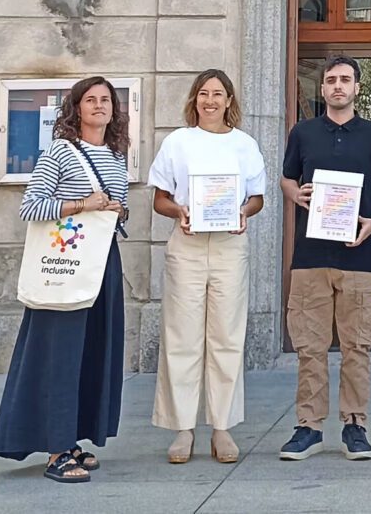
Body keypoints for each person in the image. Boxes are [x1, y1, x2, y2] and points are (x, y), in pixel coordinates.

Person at [0, 76, 130, 483]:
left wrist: (118, 211)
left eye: (106, 100)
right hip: (65, 262)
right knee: (61, 354)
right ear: (77, 108)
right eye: (91, 100)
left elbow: (120, 213)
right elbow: (31, 206)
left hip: (103, 261)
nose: (99, 106)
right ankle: (55, 450)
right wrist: (83, 204)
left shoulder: (117, 156)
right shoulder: (60, 151)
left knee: (92, 352)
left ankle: (71, 440)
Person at [279, 55, 371, 461]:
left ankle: (355, 425)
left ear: (357, 88)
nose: (337, 86)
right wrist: (295, 194)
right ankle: (309, 427)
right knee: (309, 348)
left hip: (359, 256)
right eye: (331, 80)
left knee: (357, 347)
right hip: (310, 257)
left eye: (345, 80)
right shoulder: (303, 132)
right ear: (323, 88)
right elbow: (287, 178)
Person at [149, 69, 266, 464]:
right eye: (203, 93)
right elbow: (160, 199)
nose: (210, 101)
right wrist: (179, 211)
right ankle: (183, 428)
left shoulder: (244, 144)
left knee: (226, 336)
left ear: (229, 100)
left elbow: (256, 197)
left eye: (218, 94)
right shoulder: (177, 142)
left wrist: (244, 212)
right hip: (188, 244)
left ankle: (222, 427)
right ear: (194, 99)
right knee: (181, 335)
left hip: (230, 245)